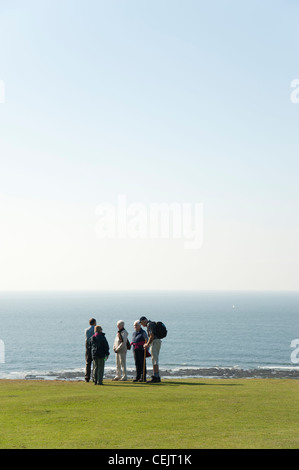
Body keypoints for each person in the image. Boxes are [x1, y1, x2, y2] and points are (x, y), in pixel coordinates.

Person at [139, 316, 162, 383]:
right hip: (156, 341)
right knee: (154, 359)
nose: (142, 325)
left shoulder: (149, 325)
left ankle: (156, 377)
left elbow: (152, 335)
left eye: (141, 323)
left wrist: (147, 344)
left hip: (155, 342)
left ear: (144, 321)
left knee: (154, 359)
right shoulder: (151, 324)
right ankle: (156, 376)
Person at [84, 317, 96, 382]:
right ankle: (94, 377)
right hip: (93, 345)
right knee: (94, 362)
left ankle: (87, 377)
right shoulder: (95, 329)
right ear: (94, 323)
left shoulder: (86, 330)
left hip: (87, 345)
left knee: (88, 362)